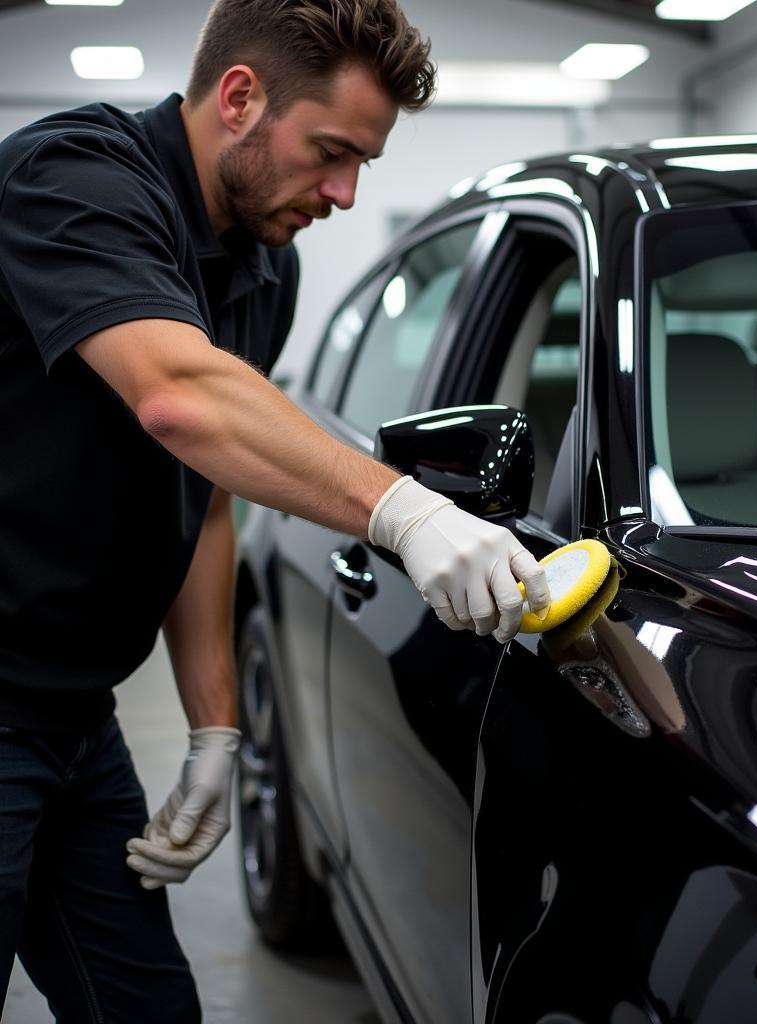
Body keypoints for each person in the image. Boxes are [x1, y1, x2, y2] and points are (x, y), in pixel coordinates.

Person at [0, 0, 551, 1018]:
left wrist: (217, 732)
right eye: (331, 152)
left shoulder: (266, 269)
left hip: (74, 715)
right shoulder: (73, 177)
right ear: (241, 98)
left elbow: (203, 490)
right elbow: (178, 396)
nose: (343, 194)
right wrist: (406, 511)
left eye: (362, 166)